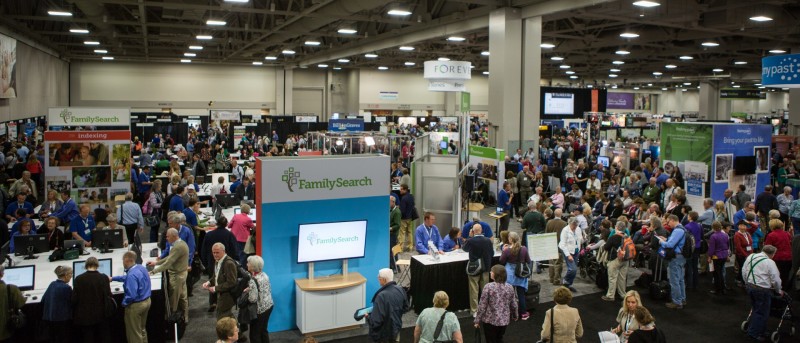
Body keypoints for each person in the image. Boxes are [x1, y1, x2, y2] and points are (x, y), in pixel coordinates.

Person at [741, 245, 783, 341]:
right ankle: (754, 333)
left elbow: (744, 270)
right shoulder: (770, 262)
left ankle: (761, 330)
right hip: (762, 290)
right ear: (772, 254)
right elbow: (776, 280)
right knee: (762, 312)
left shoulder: (751, 256)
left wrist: (747, 282)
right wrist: (778, 291)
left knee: (756, 309)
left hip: (750, 287)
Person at [148, 228, 190, 321]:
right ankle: (185, 318)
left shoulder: (178, 247)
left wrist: (153, 272)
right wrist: (156, 263)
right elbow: (170, 257)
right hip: (182, 274)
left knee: (173, 301)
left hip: (177, 276)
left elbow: (168, 263)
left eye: (168, 236)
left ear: (174, 236)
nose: (166, 238)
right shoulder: (179, 244)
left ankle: (172, 321)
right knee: (183, 297)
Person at [110, 251, 151, 343]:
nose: (123, 263)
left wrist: (124, 303)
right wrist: (113, 278)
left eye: (123, 261)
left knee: (134, 334)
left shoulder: (131, 275)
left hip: (136, 306)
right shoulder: (141, 268)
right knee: (141, 329)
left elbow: (131, 295)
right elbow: (127, 277)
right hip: (147, 301)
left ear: (127, 260)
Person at [474, 264, 518, 343]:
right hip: (504, 321)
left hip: (489, 321)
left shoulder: (488, 287)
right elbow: (513, 304)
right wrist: (515, 315)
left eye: (491, 271)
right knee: (499, 338)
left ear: (495, 274)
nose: (490, 272)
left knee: (490, 340)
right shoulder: (510, 287)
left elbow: (482, 306)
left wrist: (477, 320)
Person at [73, 257, 112, 343]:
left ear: (86, 266)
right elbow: (108, 295)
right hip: (101, 314)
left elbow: (74, 298)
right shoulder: (103, 277)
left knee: (88, 338)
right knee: (103, 337)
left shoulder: (79, 279)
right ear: (97, 265)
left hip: (85, 316)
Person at [366, 268, 409, 343]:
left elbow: (376, 321)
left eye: (379, 278)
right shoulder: (401, 289)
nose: (378, 279)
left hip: (382, 335)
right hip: (396, 329)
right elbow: (406, 308)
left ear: (384, 280)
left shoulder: (381, 296)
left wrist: (368, 317)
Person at [499, 232, 531, 320]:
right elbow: (528, 260)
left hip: (509, 274)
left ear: (510, 239)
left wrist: (503, 250)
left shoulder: (507, 250)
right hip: (521, 273)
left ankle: (510, 313)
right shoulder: (524, 249)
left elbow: (501, 261)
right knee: (521, 294)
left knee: (509, 295)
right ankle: (524, 313)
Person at [462, 223, 493, 316]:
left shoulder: (471, 240)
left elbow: (464, 248)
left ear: (473, 231)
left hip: (474, 268)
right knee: (485, 289)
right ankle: (485, 309)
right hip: (486, 268)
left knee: (474, 289)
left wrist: (469, 237)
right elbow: (492, 253)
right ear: (481, 230)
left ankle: (474, 310)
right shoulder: (488, 240)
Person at [657, 214, 687, 309]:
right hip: (681, 257)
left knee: (674, 281)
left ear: (673, 220)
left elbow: (670, 245)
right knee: (680, 279)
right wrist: (667, 239)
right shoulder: (683, 229)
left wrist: (662, 242)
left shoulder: (677, 230)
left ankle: (677, 302)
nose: (668, 224)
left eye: (668, 222)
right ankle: (682, 298)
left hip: (676, 258)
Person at [203, 242, 238, 319]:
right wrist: (209, 282)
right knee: (225, 317)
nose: (215, 254)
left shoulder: (229, 263)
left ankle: (236, 330)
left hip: (227, 296)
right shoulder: (217, 260)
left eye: (217, 252)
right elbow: (216, 275)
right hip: (220, 294)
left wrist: (215, 288)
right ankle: (237, 330)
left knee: (222, 317)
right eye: (213, 252)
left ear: (223, 251)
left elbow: (232, 282)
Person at [245, 255, 274, 343]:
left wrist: (247, 292)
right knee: (263, 330)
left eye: (248, 263)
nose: (247, 264)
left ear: (253, 266)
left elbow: (252, 299)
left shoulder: (253, 280)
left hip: (259, 311)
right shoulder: (265, 275)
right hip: (269, 306)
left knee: (254, 335)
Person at [41, 266, 73, 343]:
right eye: (71, 274)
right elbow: (72, 302)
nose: (71, 276)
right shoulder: (66, 288)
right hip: (62, 320)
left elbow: (43, 300)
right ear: (66, 275)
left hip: (50, 319)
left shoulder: (52, 284)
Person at [602, 223, 630, 302]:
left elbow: (606, 247)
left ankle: (610, 295)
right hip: (626, 260)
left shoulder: (613, 237)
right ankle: (622, 294)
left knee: (612, 277)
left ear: (616, 227)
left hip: (615, 259)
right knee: (622, 278)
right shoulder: (627, 237)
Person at [763, 219, 792, 291]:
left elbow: (767, 248)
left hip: (777, 258)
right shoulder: (787, 233)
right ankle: (786, 291)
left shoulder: (771, 235)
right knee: (786, 275)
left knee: (777, 275)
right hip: (789, 257)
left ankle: (779, 291)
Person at [559, 217, 583, 292]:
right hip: (568, 251)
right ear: (570, 223)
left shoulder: (578, 229)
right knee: (573, 269)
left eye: (576, 225)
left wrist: (584, 239)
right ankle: (565, 281)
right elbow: (563, 244)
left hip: (576, 251)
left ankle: (568, 285)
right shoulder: (565, 230)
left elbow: (580, 239)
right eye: (574, 225)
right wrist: (568, 255)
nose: (575, 227)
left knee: (574, 270)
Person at [706, 221, 730, 295]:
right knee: (721, 273)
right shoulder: (725, 235)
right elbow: (728, 245)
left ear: (713, 228)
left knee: (716, 274)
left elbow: (711, 248)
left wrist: (709, 256)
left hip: (716, 257)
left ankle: (718, 289)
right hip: (723, 256)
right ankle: (723, 288)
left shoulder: (713, 236)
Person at [733, 220, 754, 287]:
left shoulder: (747, 233)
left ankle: (740, 279)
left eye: (744, 225)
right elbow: (738, 247)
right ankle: (741, 281)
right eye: (741, 225)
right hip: (741, 255)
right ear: (738, 226)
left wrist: (749, 222)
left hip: (749, 254)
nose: (742, 227)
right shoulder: (737, 235)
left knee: (747, 268)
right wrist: (746, 255)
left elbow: (755, 227)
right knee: (742, 268)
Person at [398, 184, 416, 252]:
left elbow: (402, 210)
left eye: (401, 189)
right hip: (410, 217)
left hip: (404, 218)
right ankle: (410, 246)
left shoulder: (403, 198)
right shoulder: (411, 196)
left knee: (402, 233)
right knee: (409, 232)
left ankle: (401, 247)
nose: (400, 190)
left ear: (405, 189)